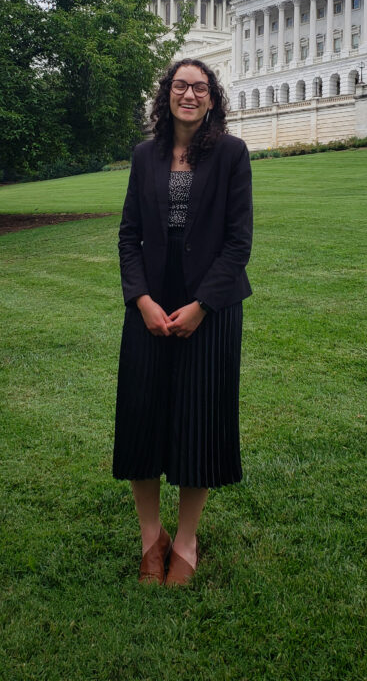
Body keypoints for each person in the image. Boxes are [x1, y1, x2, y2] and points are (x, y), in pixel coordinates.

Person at [113, 58, 253, 586]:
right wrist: (141, 299)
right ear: (166, 94)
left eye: (199, 87)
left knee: (201, 421)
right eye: (179, 85)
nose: (188, 95)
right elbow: (128, 236)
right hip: (151, 300)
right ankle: (151, 538)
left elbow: (238, 242)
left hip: (210, 306)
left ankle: (187, 540)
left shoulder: (232, 153)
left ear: (212, 97)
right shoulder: (144, 155)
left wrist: (202, 306)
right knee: (142, 417)